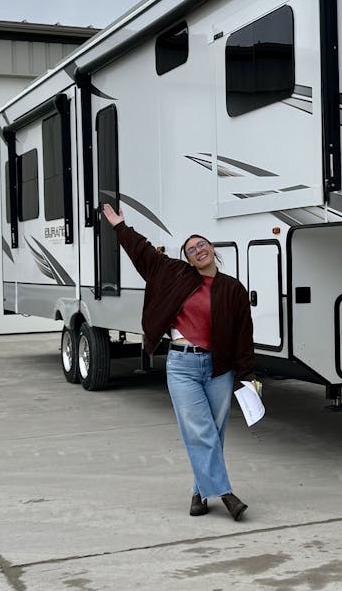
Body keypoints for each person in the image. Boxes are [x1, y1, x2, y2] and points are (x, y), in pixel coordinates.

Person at [102, 202, 258, 521]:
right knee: (199, 431)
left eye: (202, 244)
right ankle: (226, 494)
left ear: (213, 248)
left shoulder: (233, 289)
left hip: (219, 368)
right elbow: (142, 252)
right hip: (182, 366)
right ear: (186, 258)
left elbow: (244, 335)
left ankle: (200, 492)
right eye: (191, 249)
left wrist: (249, 376)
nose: (198, 250)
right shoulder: (173, 273)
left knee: (213, 432)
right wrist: (120, 226)